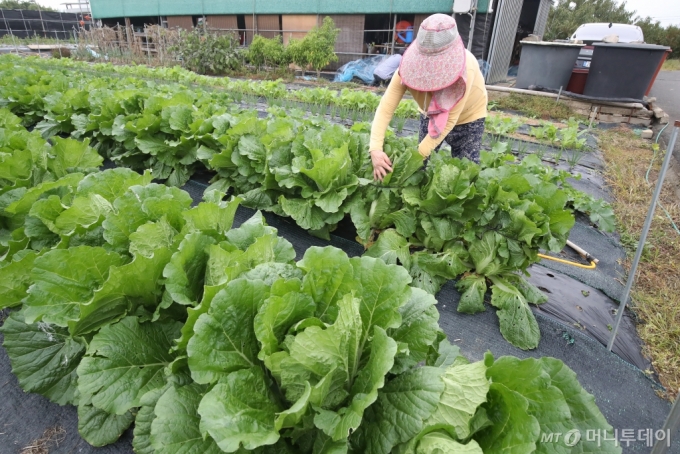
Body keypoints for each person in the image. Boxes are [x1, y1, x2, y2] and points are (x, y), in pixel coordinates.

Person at [369, 14, 488, 181]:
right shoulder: (407, 68)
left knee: (466, 172)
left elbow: (448, 122)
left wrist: (407, 164)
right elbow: (386, 107)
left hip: (469, 117)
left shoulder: (466, 69)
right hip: (430, 114)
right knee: (420, 170)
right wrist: (375, 149)